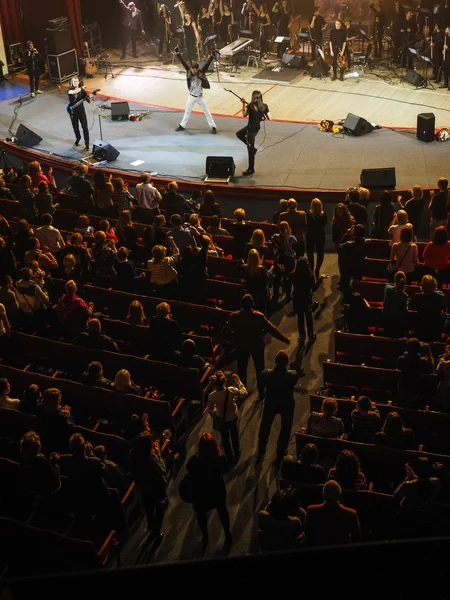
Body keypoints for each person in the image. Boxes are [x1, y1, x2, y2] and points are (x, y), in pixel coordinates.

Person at [221, 294, 290, 387]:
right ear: (252, 304)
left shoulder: (235, 316)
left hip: (241, 346)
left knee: (242, 369)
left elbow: (225, 331)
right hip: (256, 345)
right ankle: (261, 389)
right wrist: (284, 338)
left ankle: (243, 390)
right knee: (260, 369)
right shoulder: (258, 316)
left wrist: (225, 341)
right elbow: (271, 329)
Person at [186, 432, 232, 550]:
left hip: (201, 492)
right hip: (217, 490)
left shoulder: (195, 460)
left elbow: (188, 468)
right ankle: (227, 533)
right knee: (222, 510)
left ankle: (205, 537)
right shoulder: (220, 458)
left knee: (201, 515)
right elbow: (226, 469)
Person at [257, 350, 298, 463]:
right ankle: (281, 450)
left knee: (265, 425)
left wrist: (263, 394)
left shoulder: (266, 374)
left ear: (275, 361)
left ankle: (261, 447)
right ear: (287, 362)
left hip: (271, 402)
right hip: (287, 404)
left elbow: (260, 383)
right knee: (286, 428)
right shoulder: (292, 375)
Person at [130, 431, 167, 540]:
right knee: (161, 507)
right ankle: (156, 531)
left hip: (143, 489)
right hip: (155, 488)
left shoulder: (133, 456)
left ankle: (151, 528)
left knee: (150, 510)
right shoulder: (150, 459)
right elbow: (163, 470)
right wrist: (158, 453)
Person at [305, 480, 362, 546]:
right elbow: (357, 539)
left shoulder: (312, 511)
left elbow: (308, 535)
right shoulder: (351, 514)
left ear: (323, 494)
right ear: (340, 494)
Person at [174, 45, 216, 134]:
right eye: (192, 70)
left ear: (197, 69)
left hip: (200, 97)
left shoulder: (201, 71)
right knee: (187, 111)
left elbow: (207, 63)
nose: (192, 71)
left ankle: (213, 127)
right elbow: (183, 62)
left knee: (206, 111)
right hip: (191, 96)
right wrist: (178, 53)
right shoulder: (189, 71)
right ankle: (182, 125)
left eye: (194, 70)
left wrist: (212, 56)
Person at [207, 370, 246, 464]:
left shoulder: (212, 396)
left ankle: (229, 456)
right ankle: (236, 452)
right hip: (232, 417)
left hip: (221, 419)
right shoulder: (231, 390)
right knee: (234, 434)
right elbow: (244, 393)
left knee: (225, 438)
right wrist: (239, 381)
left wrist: (215, 415)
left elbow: (210, 410)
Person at [236, 90, 270, 176]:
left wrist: (243, 104)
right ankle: (252, 148)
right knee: (239, 134)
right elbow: (268, 117)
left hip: (251, 130)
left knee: (250, 151)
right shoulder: (264, 106)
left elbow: (244, 114)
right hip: (256, 128)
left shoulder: (250, 107)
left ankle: (251, 169)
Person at [19, 431, 61, 497]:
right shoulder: (41, 460)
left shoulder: (23, 458)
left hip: (30, 490)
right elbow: (54, 476)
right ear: (38, 446)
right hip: (45, 493)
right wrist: (55, 464)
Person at [396, 337, 434, 407]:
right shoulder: (422, 362)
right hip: (416, 391)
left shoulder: (401, 359)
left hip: (403, 388)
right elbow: (430, 370)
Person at [290, 258, 321, 343]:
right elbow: (314, 288)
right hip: (306, 298)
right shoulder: (310, 275)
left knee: (300, 317)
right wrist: (320, 279)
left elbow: (287, 282)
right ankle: (311, 334)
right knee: (308, 317)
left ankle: (301, 335)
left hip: (297, 298)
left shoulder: (293, 275)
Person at [37, 388, 76, 453]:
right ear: (57, 402)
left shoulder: (39, 410)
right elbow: (72, 429)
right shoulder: (62, 417)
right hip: (57, 444)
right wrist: (68, 414)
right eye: (59, 399)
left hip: (43, 440)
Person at [411, 274, 446, 341]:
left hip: (420, 329)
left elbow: (413, 309)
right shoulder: (438, 297)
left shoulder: (418, 297)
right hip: (435, 330)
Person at [338, 224, 367, 301]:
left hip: (348, 268)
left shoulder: (348, 244)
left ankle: (346, 299)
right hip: (360, 267)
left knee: (345, 281)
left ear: (354, 233)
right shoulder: (366, 244)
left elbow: (339, 247)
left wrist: (346, 235)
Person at [272, 221, 297, 301]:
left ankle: (275, 293)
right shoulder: (292, 238)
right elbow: (295, 249)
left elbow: (273, 246)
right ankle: (288, 295)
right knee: (288, 277)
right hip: (289, 260)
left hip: (279, 259)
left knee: (277, 277)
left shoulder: (275, 237)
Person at [381, 270, 409, 337]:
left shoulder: (388, 289)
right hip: (398, 324)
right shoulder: (404, 295)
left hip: (387, 321)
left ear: (395, 280)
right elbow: (405, 311)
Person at [242, 249, 270, 314]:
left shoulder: (245, 268)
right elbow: (266, 279)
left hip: (250, 292)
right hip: (261, 294)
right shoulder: (261, 269)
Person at [67, 77, 90, 151]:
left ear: (79, 82)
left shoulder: (82, 91)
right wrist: (82, 88)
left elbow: (88, 100)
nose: (75, 83)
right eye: (74, 81)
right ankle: (78, 138)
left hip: (81, 111)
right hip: (73, 112)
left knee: (85, 127)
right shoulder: (69, 90)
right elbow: (73, 92)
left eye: (76, 81)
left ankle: (87, 143)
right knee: (75, 127)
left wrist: (89, 97)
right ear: (72, 82)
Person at [306, 198, 327, 278]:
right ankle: (317, 268)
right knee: (320, 252)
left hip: (310, 235)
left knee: (310, 252)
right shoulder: (323, 215)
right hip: (320, 235)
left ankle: (311, 267)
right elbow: (324, 225)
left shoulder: (308, 215)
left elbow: (307, 224)